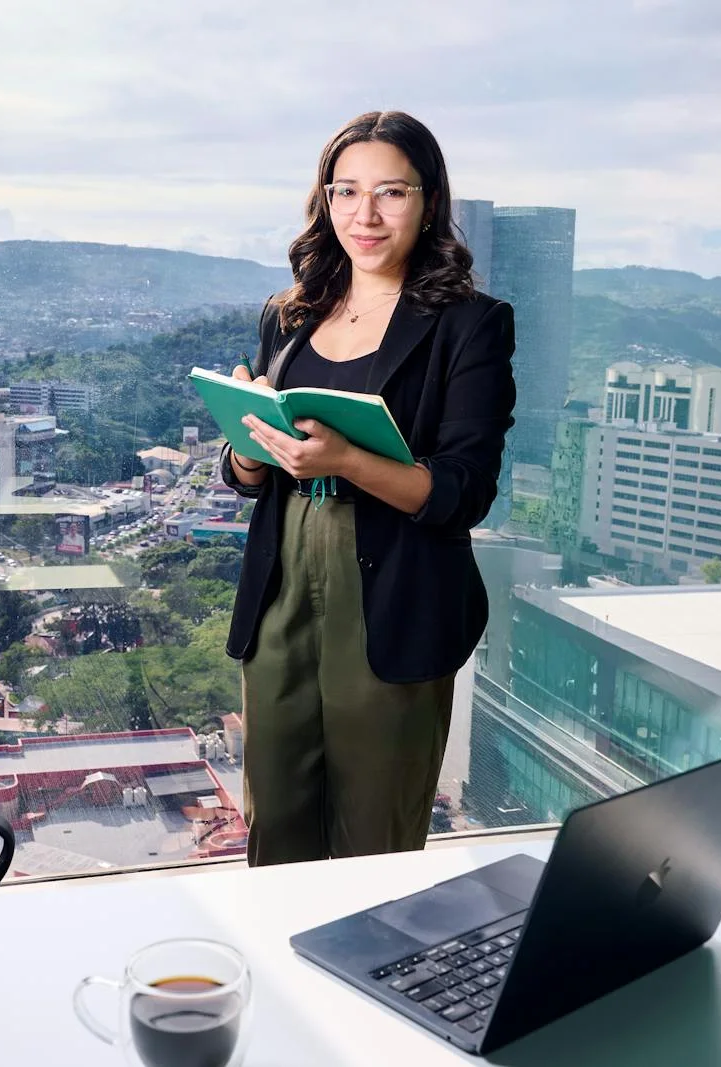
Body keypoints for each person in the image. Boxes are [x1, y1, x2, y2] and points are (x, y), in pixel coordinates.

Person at [218, 111, 515, 866]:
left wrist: (346, 461)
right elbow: (248, 473)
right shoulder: (287, 316)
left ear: (428, 199)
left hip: (394, 595)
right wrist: (250, 451)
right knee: (274, 825)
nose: (366, 214)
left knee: (373, 846)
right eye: (346, 190)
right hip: (282, 586)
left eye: (391, 192)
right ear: (325, 199)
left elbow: (463, 492)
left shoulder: (470, 325)